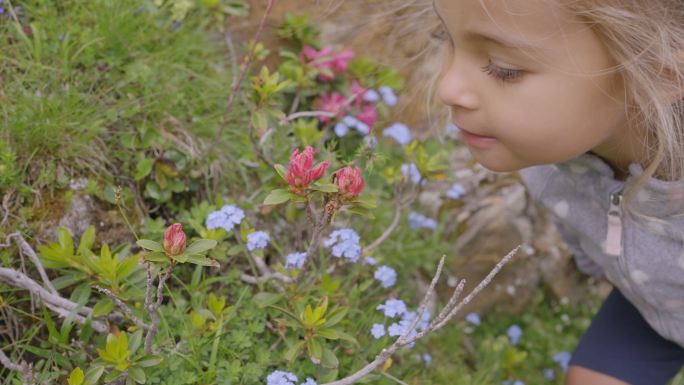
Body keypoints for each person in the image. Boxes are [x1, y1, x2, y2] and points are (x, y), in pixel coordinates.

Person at [430, 0, 684, 384]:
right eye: (443, 37)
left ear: (658, 73)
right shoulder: (549, 161)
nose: (447, 87)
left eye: (504, 69)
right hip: (654, 301)